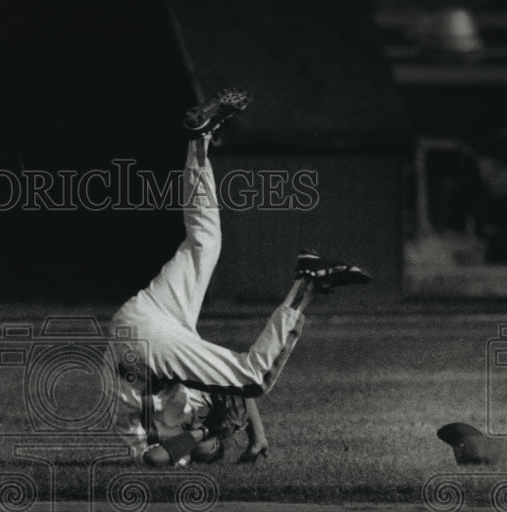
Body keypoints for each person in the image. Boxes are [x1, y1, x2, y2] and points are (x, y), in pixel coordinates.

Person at [110, 90, 370, 466]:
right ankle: (198, 138)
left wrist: (208, 433)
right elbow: (232, 392)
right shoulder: (195, 407)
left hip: (144, 340)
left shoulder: (167, 429)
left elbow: (153, 459)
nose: (215, 445)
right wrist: (255, 438)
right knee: (206, 241)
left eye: (214, 449)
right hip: (148, 320)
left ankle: (308, 282)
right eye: (217, 447)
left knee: (255, 376)